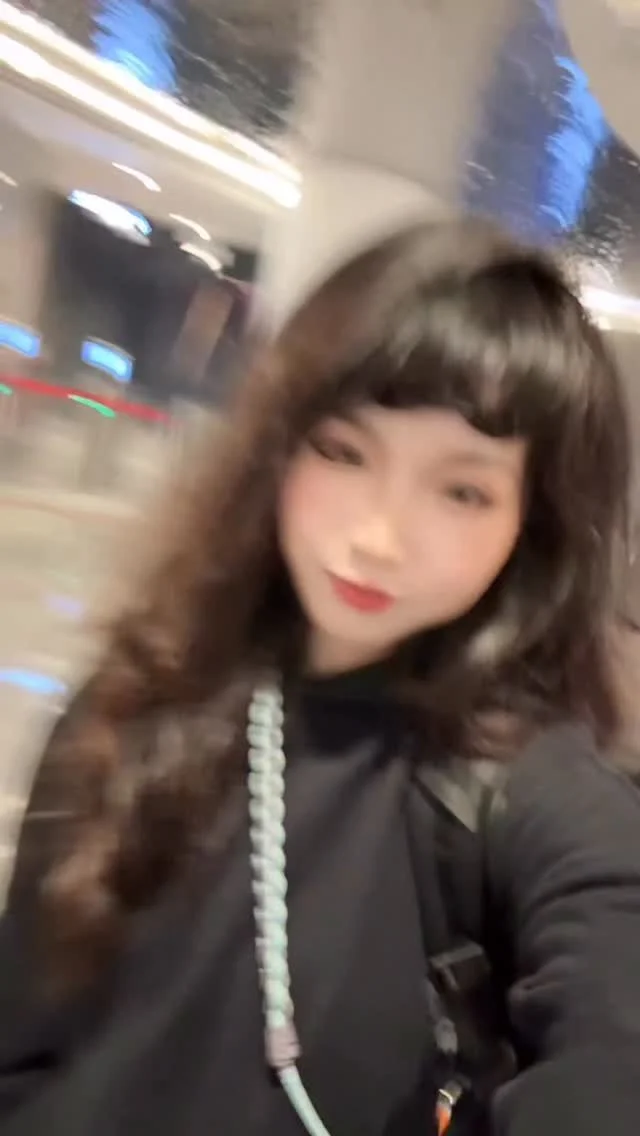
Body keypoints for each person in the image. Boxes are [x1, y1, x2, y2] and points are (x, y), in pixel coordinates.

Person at [1, 216, 639, 1136]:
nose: (379, 536)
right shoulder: (141, 696)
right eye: (343, 451)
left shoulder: (510, 784)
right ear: (279, 446)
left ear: (531, 528)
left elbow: (612, 1002)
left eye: (463, 491)